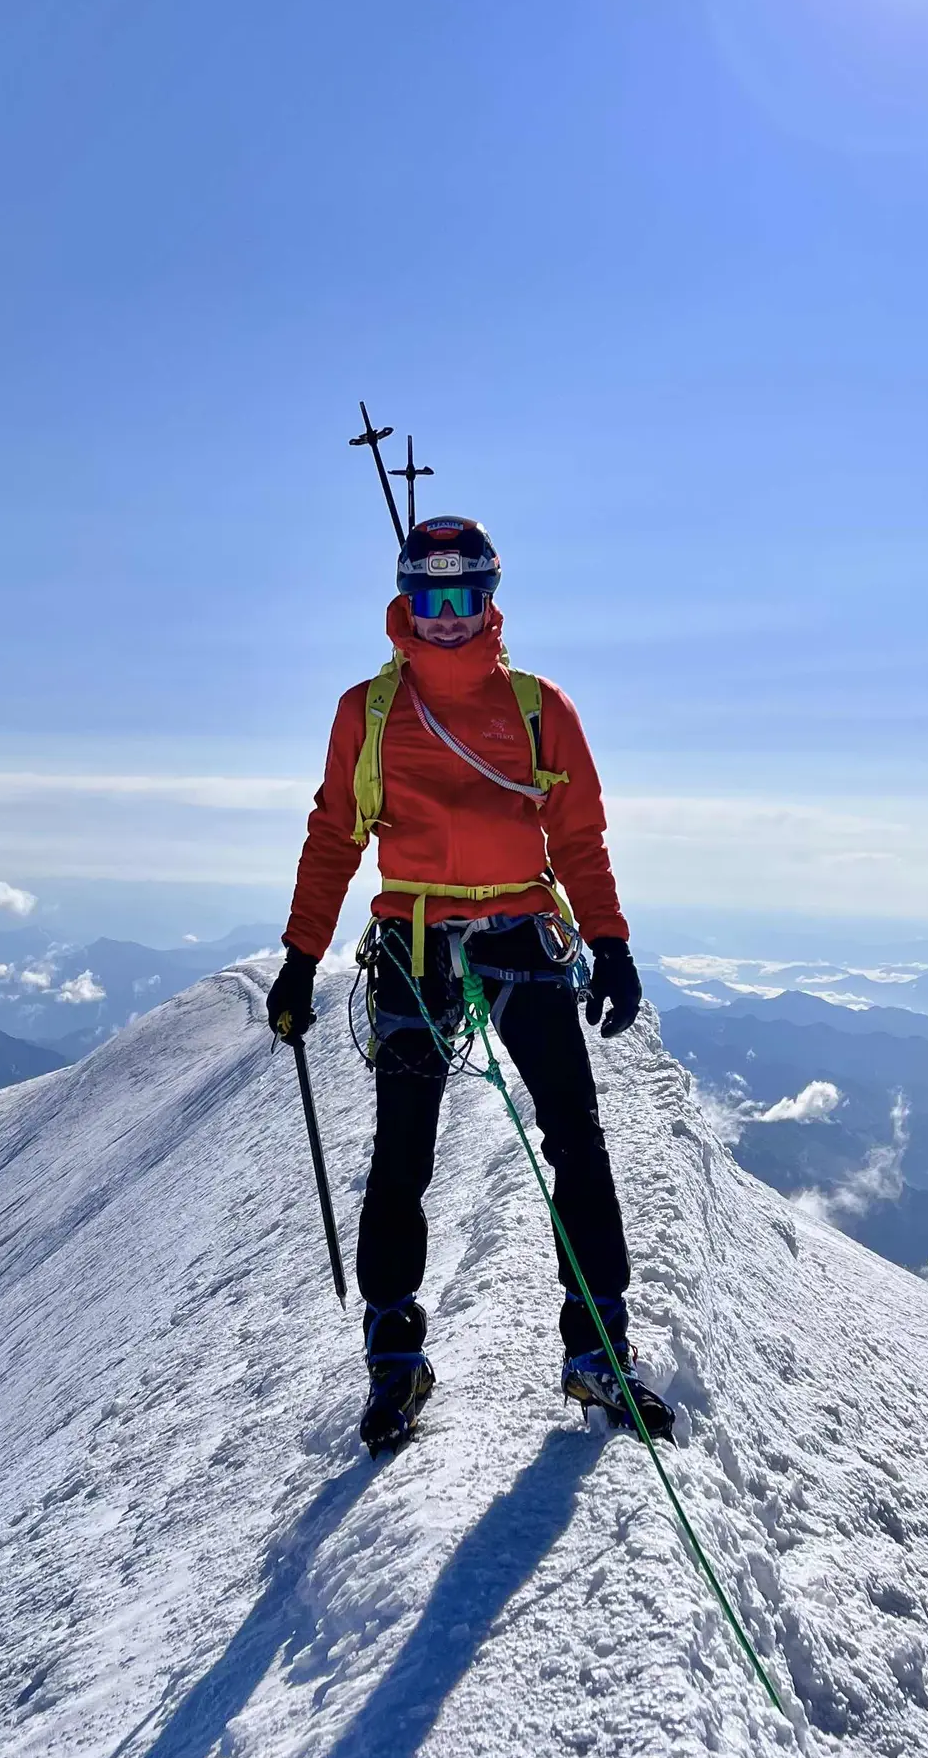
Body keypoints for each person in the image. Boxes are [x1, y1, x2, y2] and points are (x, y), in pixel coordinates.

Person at [266, 514, 673, 1455]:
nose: (445, 614)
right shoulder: (368, 713)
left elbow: (579, 838)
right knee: (403, 1153)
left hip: (517, 930)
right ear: (404, 601)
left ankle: (598, 1345)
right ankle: (395, 1356)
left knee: (574, 1133)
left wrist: (611, 942)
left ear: (489, 598)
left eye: (461, 595)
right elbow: (333, 838)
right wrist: (298, 957)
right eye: (428, 596)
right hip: (417, 940)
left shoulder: (537, 708)